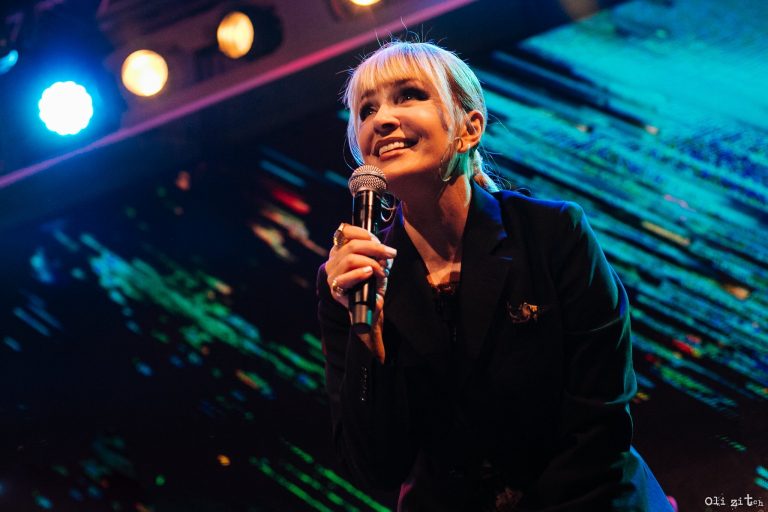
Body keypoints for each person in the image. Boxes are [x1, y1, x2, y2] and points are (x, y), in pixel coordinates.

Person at [317, 41, 673, 512]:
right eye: (366, 110)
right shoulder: (350, 281)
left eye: (408, 96)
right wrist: (367, 338)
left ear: (469, 128)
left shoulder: (552, 234)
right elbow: (375, 467)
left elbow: (599, 419)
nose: (381, 119)